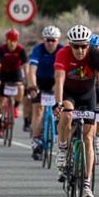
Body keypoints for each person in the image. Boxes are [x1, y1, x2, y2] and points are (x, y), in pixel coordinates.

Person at [54, 25, 99, 197]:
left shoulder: (96, 55)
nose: (80, 50)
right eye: (75, 46)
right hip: (69, 93)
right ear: (69, 45)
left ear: (89, 45)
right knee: (67, 114)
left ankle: (86, 182)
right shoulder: (63, 54)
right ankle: (63, 148)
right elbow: (59, 79)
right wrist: (58, 102)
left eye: (83, 46)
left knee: (88, 138)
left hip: (88, 95)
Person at [26, 26, 62, 158]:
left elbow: (63, 73)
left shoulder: (61, 50)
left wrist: (58, 85)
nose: (50, 43)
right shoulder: (38, 49)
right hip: (40, 82)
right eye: (48, 40)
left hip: (56, 81)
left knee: (62, 109)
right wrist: (33, 87)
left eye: (53, 40)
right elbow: (32, 70)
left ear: (57, 41)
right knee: (38, 110)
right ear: (44, 40)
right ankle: (36, 139)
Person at [0, 29, 27, 138]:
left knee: (20, 87)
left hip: (16, 73)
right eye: (9, 40)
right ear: (6, 40)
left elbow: (25, 65)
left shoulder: (21, 49)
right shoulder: (1, 49)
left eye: (14, 40)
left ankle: (16, 107)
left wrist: (26, 78)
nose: (12, 43)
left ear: (17, 40)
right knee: (2, 102)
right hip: (4, 73)